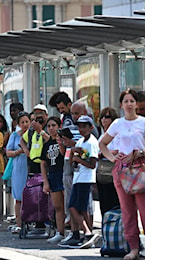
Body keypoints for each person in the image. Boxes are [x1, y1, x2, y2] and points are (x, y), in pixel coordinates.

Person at [99, 89, 145, 260]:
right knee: (127, 211)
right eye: (126, 101)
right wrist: (112, 158)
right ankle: (133, 248)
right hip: (122, 170)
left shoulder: (144, 122)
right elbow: (102, 143)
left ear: (137, 103)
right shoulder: (117, 123)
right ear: (121, 104)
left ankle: (147, 246)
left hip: (140, 168)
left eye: (132, 101)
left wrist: (141, 152)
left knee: (145, 210)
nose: (129, 104)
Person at [58, 115, 100, 249]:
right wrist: (72, 154)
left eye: (84, 127)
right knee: (79, 208)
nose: (81, 129)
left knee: (75, 207)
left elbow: (92, 164)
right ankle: (88, 233)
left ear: (91, 128)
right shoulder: (80, 141)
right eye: (79, 127)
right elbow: (73, 163)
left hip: (86, 179)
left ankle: (87, 232)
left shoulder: (92, 142)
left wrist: (78, 160)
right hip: (78, 177)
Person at [40, 117, 66, 243]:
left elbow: (64, 154)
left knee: (68, 205)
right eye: (49, 126)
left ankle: (73, 232)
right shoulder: (46, 145)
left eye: (53, 125)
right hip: (53, 174)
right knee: (58, 206)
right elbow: (43, 164)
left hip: (64, 173)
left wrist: (61, 142)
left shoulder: (64, 141)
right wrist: (45, 182)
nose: (51, 128)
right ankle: (60, 232)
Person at [5, 111, 30, 234]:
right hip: (18, 167)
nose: (25, 124)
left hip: (30, 167)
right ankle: (19, 224)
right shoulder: (15, 135)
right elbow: (8, 152)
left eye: (27, 121)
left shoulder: (33, 135)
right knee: (19, 197)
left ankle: (31, 223)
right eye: (23, 122)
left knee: (31, 196)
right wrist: (19, 151)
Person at [96, 107, 120, 217]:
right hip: (101, 171)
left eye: (107, 117)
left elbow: (119, 150)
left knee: (114, 200)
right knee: (103, 201)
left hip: (113, 169)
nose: (104, 119)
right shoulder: (102, 135)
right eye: (102, 117)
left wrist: (105, 153)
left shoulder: (117, 135)